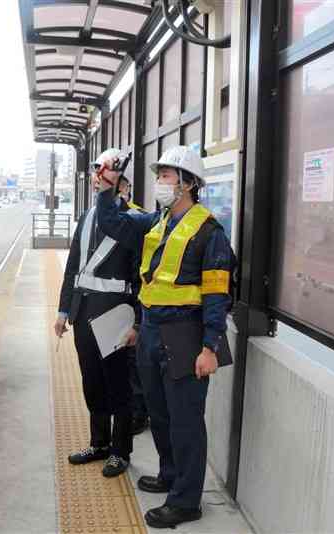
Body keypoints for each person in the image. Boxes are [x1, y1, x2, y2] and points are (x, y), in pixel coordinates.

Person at [95, 145, 234, 528]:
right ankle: (170, 475)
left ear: (189, 183)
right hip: (152, 331)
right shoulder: (157, 223)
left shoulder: (209, 233)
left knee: (186, 419)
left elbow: (217, 296)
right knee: (158, 413)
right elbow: (114, 225)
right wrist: (106, 189)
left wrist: (210, 347)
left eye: (167, 176)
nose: (160, 182)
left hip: (187, 336)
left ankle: (187, 501)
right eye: (159, 176)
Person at [54, 148, 141, 478]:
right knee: (92, 382)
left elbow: (139, 277)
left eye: (103, 176)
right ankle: (99, 443)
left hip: (115, 313)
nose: (96, 181)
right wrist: (63, 310)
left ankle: (121, 451)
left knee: (118, 385)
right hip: (83, 310)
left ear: (121, 185)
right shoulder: (88, 217)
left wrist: (136, 320)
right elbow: (72, 267)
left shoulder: (133, 221)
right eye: (96, 175)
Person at [117, 174, 150, 435]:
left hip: (136, 295)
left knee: (133, 359)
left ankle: (139, 414)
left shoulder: (139, 217)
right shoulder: (101, 216)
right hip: (116, 299)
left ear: (127, 188)